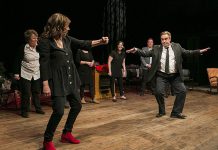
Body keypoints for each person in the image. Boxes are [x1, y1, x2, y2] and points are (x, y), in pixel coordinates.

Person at [37, 13, 109, 150]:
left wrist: (100, 41)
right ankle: (47, 141)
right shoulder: (46, 41)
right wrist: (45, 84)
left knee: (77, 105)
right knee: (58, 111)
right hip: (57, 80)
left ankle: (66, 133)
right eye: (66, 26)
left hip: (70, 78)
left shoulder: (67, 40)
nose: (68, 29)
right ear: (58, 27)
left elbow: (84, 43)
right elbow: (44, 63)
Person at [126, 31, 209, 119]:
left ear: (170, 39)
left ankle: (176, 112)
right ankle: (162, 111)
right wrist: (136, 50)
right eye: (162, 39)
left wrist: (199, 51)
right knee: (158, 92)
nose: (164, 41)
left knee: (182, 91)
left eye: (166, 39)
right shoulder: (157, 48)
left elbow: (187, 52)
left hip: (175, 75)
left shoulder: (177, 46)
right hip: (161, 75)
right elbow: (145, 53)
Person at [13, 29, 45, 118]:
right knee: (26, 93)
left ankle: (38, 108)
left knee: (36, 92)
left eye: (36, 38)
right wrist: (16, 73)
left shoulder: (39, 47)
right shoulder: (23, 48)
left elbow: (43, 59)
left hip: (36, 73)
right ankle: (24, 110)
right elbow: (16, 60)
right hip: (25, 73)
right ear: (28, 40)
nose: (36, 40)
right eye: (33, 38)